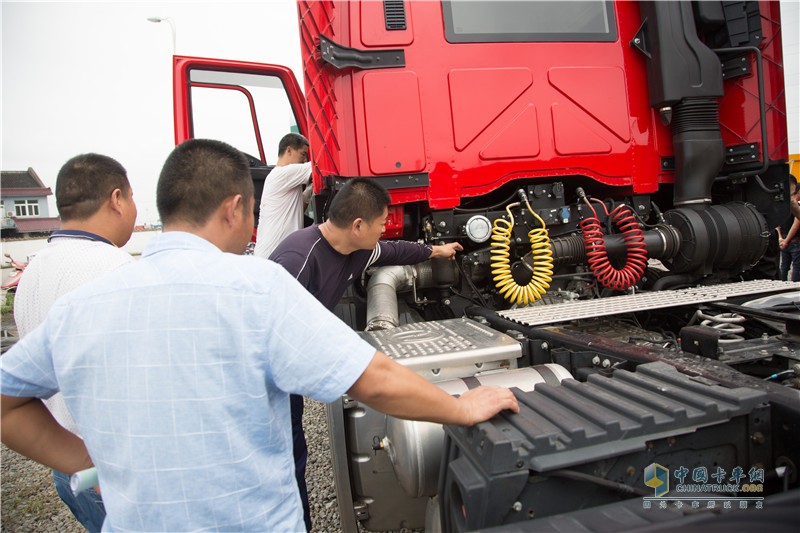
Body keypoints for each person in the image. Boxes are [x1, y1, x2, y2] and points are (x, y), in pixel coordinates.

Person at [1, 139, 518, 533]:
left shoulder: (80, 307)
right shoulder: (258, 285)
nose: (252, 228)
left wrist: (89, 459)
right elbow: (374, 380)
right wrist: (461, 409)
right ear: (233, 208)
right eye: (250, 213)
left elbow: (7, 403)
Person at [269, 177, 463, 529]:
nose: (382, 232)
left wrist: (435, 251)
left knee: (296, 450)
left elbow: (394, 251)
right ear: (357, 225)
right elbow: (271, 335)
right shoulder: (297, 259)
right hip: (270, 379)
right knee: (280, 455)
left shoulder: (357, 248)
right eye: (379, 225)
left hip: (290, 376)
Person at [12, 153, 137, 533]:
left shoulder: (32, 272)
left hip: (67, 466)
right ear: (117, 199)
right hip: (114, 471)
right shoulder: (116, 271)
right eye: (132, 198)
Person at [253, 132, 312, 260]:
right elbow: (319, 166)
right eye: (303, 154)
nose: (304, 160)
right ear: (289, 150)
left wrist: (310, 189)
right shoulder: (283, 174)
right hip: (273, 257)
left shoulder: (285, 179)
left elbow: (297, 208)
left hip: (272, 255)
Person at [778, 176, 800, 281]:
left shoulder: (781, 205)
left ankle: (782, 285)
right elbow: (796, 224)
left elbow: (776, 223)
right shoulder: (793, 205)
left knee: (784, 266)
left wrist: (780, 238)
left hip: (783, 239)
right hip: (793, 240)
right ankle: (795, 287)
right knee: (796, 267)